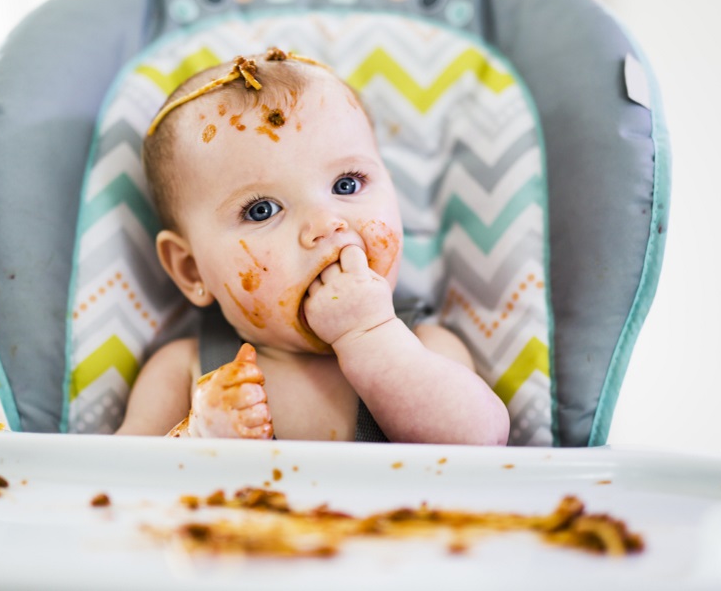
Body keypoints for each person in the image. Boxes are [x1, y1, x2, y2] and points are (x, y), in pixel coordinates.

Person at [115, 48, 509, 445]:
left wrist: (371, 334)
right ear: (191, 270)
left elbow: (483, 443)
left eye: (347, 184)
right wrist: (196, 437)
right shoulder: (185, 370)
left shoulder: (424, 348)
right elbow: (112, 479)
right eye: (262, 210)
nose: (325, 225)